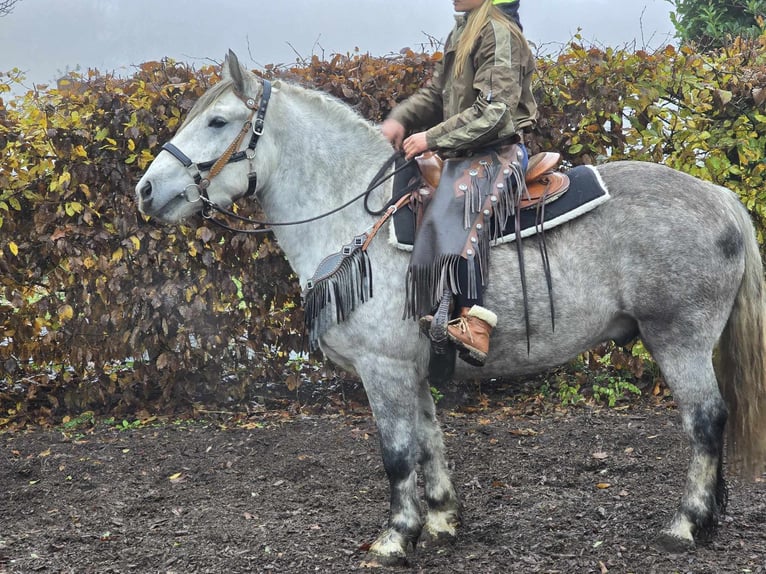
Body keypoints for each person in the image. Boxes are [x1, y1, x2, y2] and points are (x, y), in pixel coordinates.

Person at [381, 0, 537, 366]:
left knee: (459, 201)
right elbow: (438, 95)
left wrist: (431, 138)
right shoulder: (464, 30)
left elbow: (495, 112)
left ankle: (474, 322)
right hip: (465, 151)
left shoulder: (498, 33)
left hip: (497, 152)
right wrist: (400, 119)